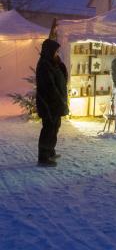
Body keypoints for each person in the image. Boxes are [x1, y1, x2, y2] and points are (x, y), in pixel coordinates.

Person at [36, 39, 69, 167]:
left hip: (56, 102)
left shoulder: (53, 62)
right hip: (49, 104)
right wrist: (58, 99)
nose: (57, 53)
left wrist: (61, 66)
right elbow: (49, 86)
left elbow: (61, 78)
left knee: (55, 127)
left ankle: (50, 151)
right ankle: (43, 157)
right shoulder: (44, 64)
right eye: (55, 51)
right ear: (49, 51)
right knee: (48, 129)